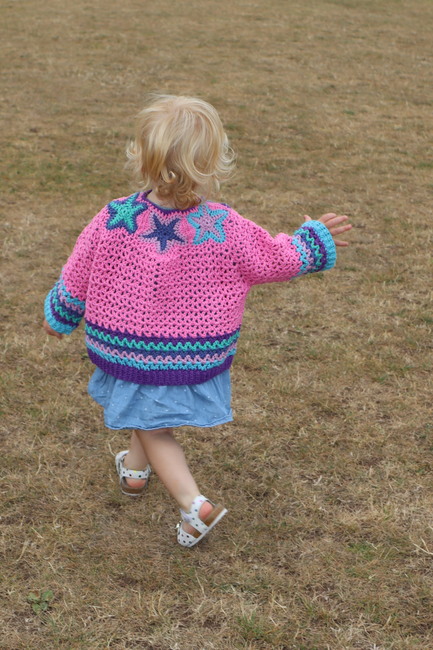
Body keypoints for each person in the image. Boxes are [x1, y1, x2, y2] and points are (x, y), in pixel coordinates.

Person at [43, 94, 351, 548]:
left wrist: (61, 313)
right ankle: (134, 472)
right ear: (213, 162)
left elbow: (78, 272)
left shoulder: (115, 217)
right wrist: (310, 240)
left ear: (141, 156)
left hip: (128, 347)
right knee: (145, 408)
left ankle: (193, 503)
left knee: (153, 421)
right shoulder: (225, 226)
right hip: (188, 350)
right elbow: (276, 259)